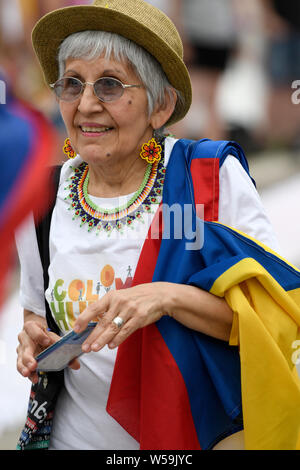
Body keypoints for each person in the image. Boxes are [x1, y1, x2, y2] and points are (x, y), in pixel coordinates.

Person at [15, 0, 300, 451]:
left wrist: (166, 297)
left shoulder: (206, 179)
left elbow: (277, 313)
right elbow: (36, 311)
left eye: (109, 85)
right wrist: (34, 338)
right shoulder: (42, 199)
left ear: (160, 106)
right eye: (71, 84)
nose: (86, 104)